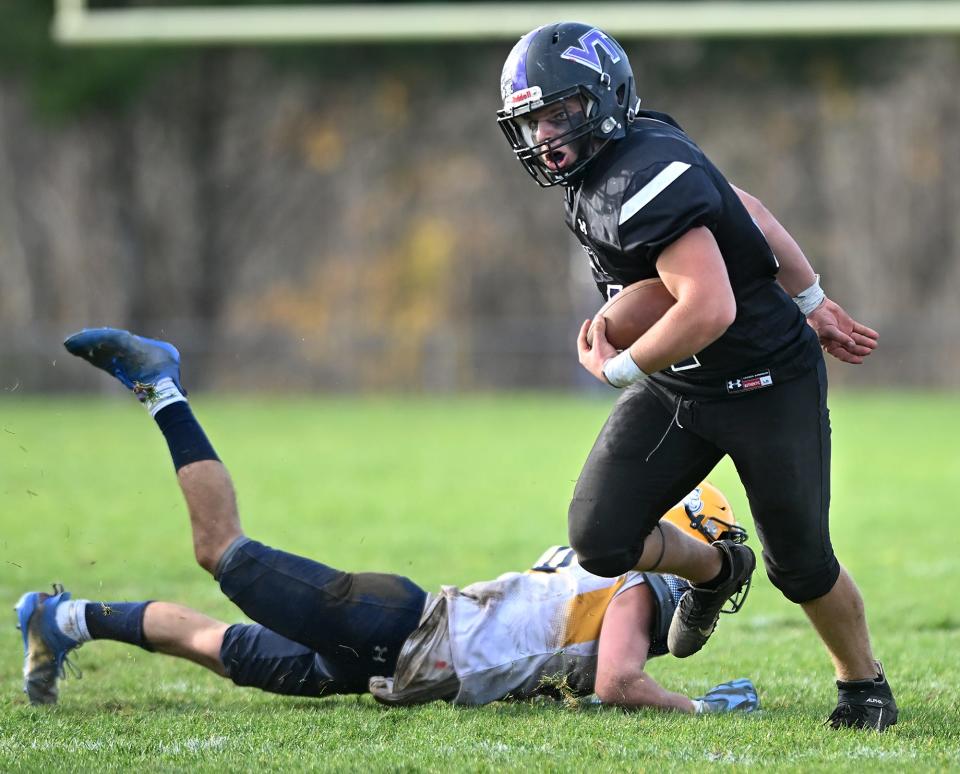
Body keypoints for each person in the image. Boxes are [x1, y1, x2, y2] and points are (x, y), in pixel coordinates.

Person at [16, 327, 759, 716]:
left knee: (225, 652)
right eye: (714, 543)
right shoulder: (640, 582)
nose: (715, 564)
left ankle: (62, 618)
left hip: (394, 659)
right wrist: (698, 710)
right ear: (686, 532)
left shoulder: (606, 564)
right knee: (220, 550)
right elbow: (621, 681)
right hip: (406, 631)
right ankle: (161, 386)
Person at [496, 22, 896, 731]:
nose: (547, 134)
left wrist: (617, 366)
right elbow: (749, 210)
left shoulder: (634, 175)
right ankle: (716, 570)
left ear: (604, 99)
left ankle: (862, 683)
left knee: (801, 561)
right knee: (600, 536)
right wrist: (812, 299)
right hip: (683, 385)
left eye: (560, 113)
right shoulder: (626, 154)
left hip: (765, 382)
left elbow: (709, 306)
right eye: (534, 121)